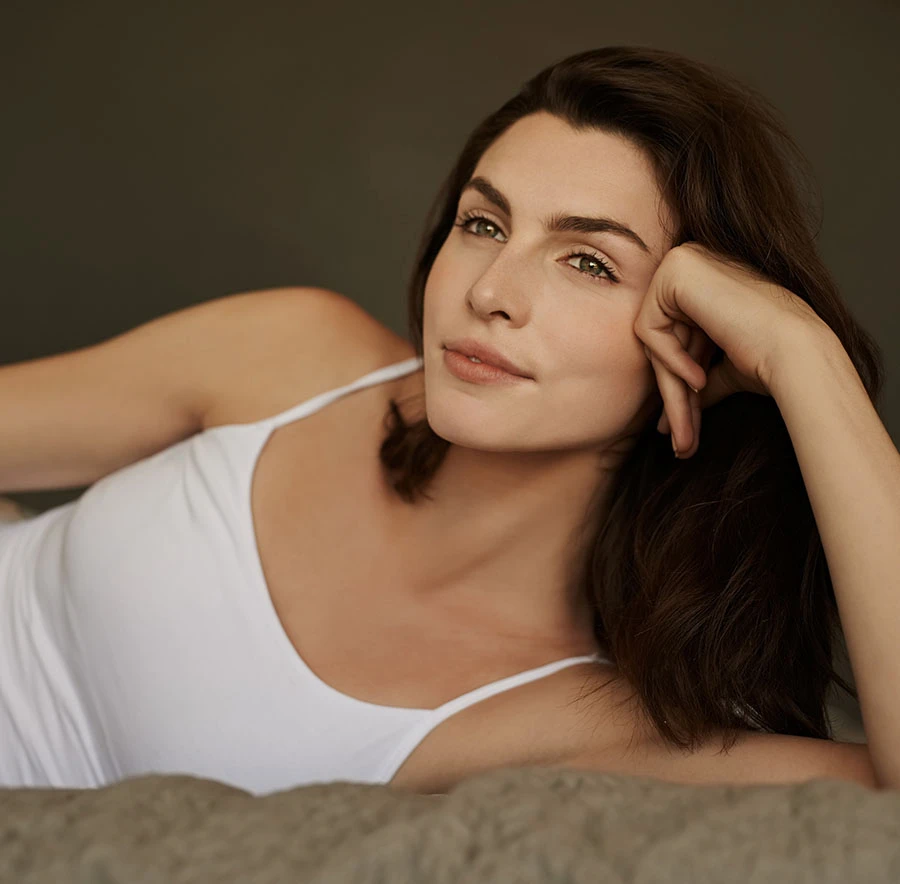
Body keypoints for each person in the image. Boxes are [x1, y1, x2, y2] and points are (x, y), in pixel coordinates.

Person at [0, 45, 887, 797]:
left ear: (698, 333)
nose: (490, 293)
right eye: (483, 223)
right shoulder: (296, 354)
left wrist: (801, 355)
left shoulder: (571, 724)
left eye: (586, 261)